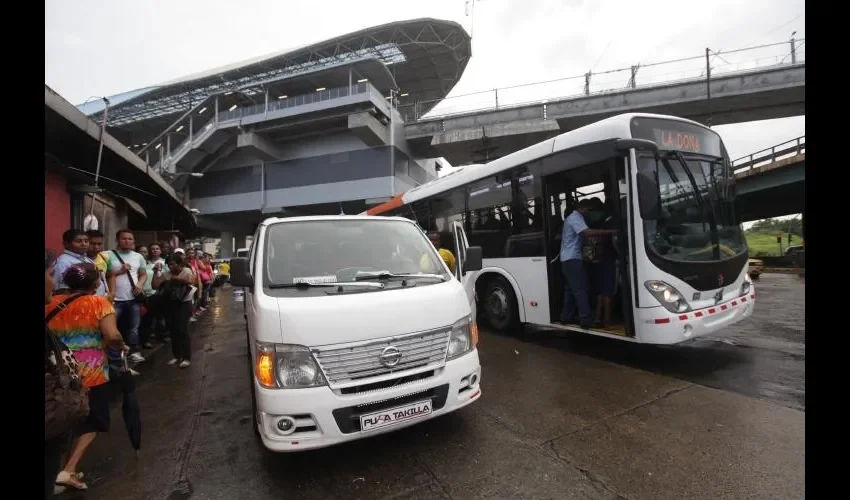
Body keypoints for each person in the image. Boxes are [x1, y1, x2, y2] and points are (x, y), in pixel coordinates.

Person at [48, 264, 128, 492]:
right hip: (89, 372)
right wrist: (122, 345)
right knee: (93, 421)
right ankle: (68, 470)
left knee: (59, 419)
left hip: (55, 371)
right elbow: (112, 335)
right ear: (95, 284)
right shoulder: (98, 303)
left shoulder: (49, 302)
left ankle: (57, 469)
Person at [559, 199, 616, 328]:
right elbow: (588, 233)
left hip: (566, 260)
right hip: (573, 259)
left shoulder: (572, 218)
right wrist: (610, 232)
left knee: (570, 290)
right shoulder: (575, 218)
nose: (589, 214)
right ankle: (586, 319)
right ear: (584, 208)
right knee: (581, 290)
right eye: (589, 211)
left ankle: (566, 316)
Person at [104, 229, 148, 364]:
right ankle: (114, 356)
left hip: (133, 299)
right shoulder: (106, 255)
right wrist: (119, 271)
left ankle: (134, 352)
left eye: (130, 239)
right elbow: (102, 275)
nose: (127, 241)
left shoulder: (138, 257)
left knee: (133, 328)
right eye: (124, 238)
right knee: (112, 328)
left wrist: (140, 285)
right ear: (117, 240)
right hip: (114, 299)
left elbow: (143, 274)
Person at [153, 253, 196, 368]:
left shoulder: (186, 271)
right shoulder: (166, 273)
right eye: (169, 265)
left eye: (173, 264)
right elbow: (155, 285)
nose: (171, 267)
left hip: (183, 304)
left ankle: (186, 357)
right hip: (170, 304)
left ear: (179, 263)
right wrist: (155, 273)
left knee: (183, 330)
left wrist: (176, 279)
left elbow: (192, 281)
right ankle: (177, 356)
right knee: (173, 331)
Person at [54, 229, 107, 297]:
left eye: (86, 241)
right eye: (78, 241)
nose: (83, 244)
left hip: (96, 301)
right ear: (66, 244)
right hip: (79, 304)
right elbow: (61, 289)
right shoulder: (63, 262)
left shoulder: (87, 259)